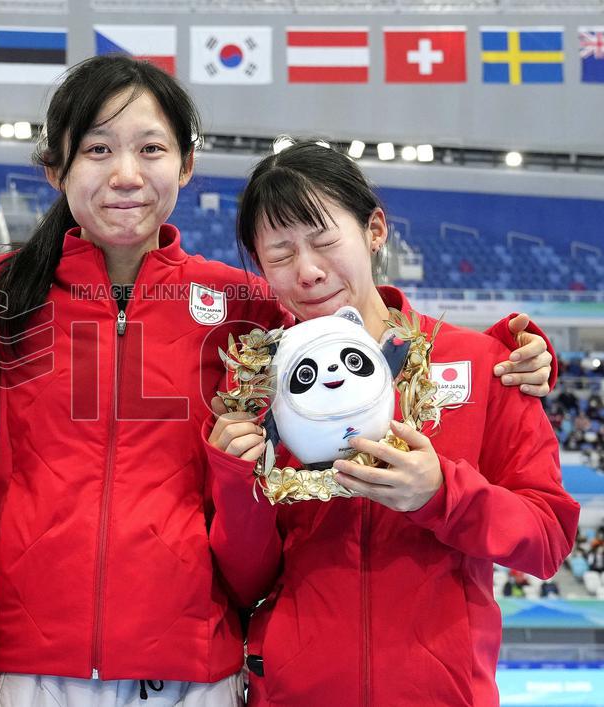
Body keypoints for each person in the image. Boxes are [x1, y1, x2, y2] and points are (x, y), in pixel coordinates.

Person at [0, 57, 555, 707]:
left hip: (190, 666)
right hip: (32, 662)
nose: (125, 174)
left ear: (186, 165)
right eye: (96, 149)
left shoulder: (241, 307)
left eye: (150, 149)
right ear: (55, 169)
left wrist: (514, 348)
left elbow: (364, 329)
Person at [205, 140, 579, 706]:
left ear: (375, 230)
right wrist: (237, 483)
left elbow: (547, 539)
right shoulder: (259, 387)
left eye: (326, 241)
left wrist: (442, 495)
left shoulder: (483, 363)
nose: (306, 272)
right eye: (280, 255)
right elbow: (245, 581)